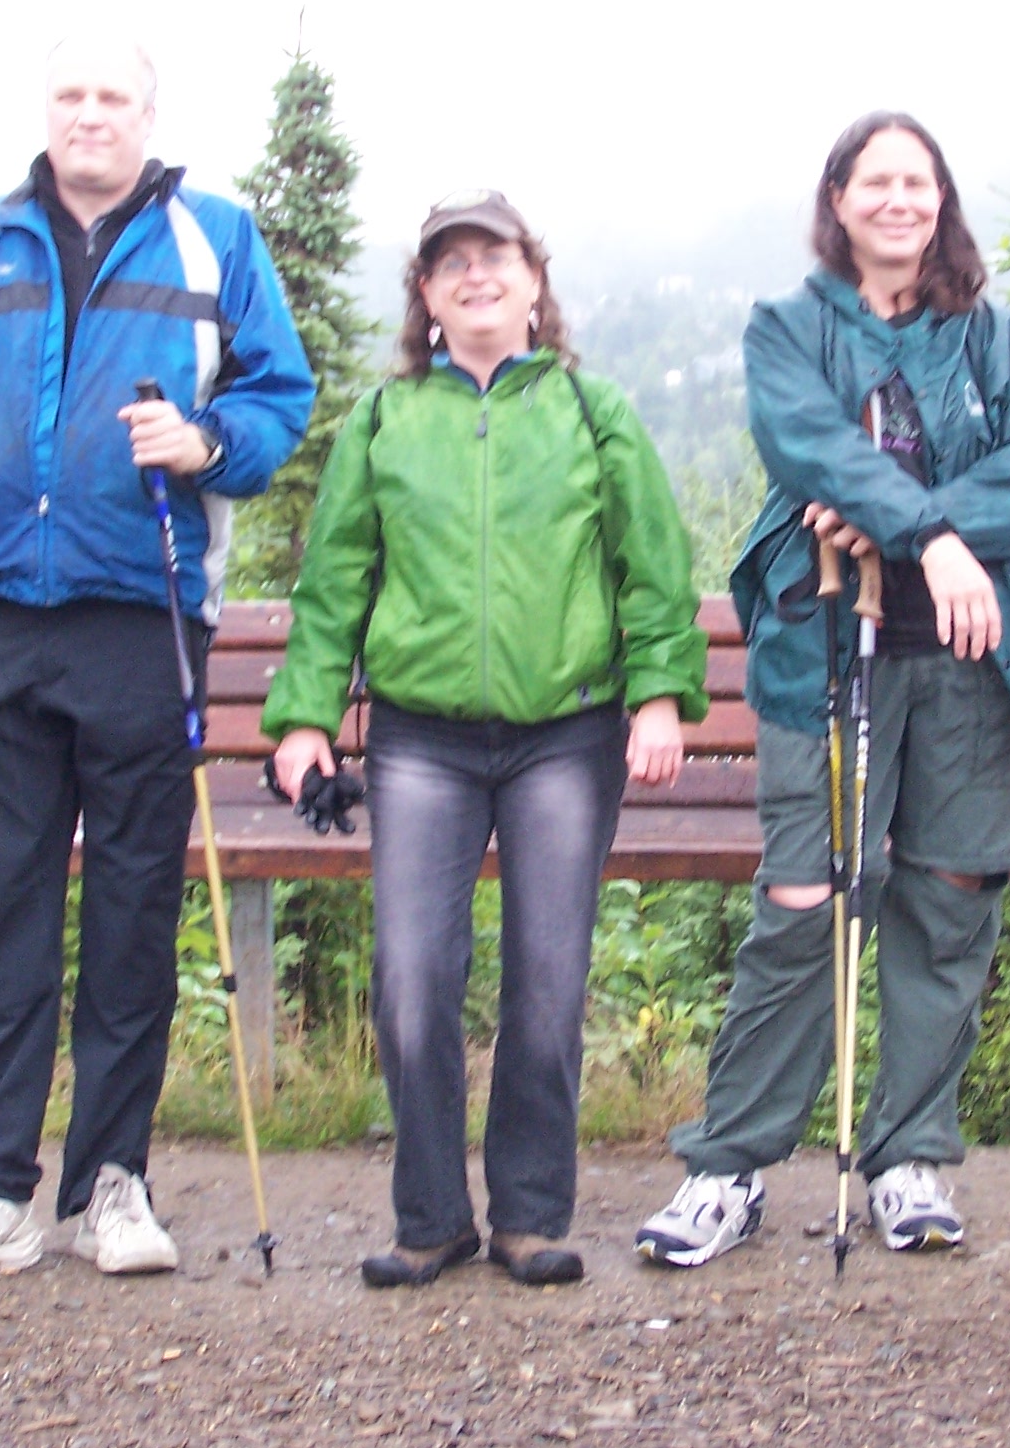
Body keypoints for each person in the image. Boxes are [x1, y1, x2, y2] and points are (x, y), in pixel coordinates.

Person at [0, 36, 316, 1289]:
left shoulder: (215, 238)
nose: (89, 114)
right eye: (70, 94)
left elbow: (279, 397)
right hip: (1, 612)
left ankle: (113, 1183)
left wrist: (204, 441)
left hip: (145, 613)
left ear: (148, 117)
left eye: (112, 96)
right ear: (46, 112)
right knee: (7, 909)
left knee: (132, 910)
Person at [636, 111, 1010, 1268]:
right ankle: (728, 1166)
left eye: (915, 182)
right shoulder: (789, 329)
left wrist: (922, 532)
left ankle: (907, 1156)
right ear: (836, 201)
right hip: (827, 653)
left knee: (948, 902)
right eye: (873, 181)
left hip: (979, 663)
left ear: (941, 201)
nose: (896, 200)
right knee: (807, 900)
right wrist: (933, 536)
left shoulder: (994, 339)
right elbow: (809, 449)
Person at [263, 189, 708, 1290]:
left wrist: (659, 695)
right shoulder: (384, 419)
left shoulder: (592, 411)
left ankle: (529, 1218)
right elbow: (333, 583)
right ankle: (430, 1220)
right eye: (450, 262)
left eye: (494, 256)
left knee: (546, 984)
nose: (475, 275)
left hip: (567, 734)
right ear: (424, 293)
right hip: (420, 739)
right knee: (413, 981)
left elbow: (652, 567)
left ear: (533, 281)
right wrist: (306, 717)